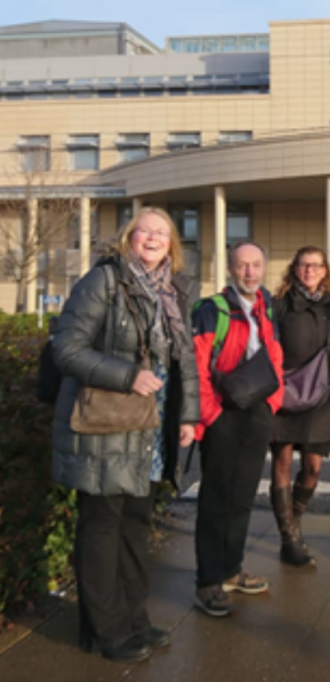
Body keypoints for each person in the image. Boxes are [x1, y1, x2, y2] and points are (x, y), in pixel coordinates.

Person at [51, 207, 199, 662]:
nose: (152, 238)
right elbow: (66, 347)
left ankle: (134, 618)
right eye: (143, 231)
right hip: (106, 424)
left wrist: (188, 415)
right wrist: (126, 375)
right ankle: (106, 629)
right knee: (102, 526)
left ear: (171, 244)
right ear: (127, 237)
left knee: (136, 524)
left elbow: (185, 362)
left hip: (150, 429)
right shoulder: (103, 281)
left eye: (161, 232)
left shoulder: (174, 291)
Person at [191, 240, 284, 617]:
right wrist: (210, 414)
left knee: (243, 496)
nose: (250, 271)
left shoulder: (267, 306)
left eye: (256, 264)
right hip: (222, 412)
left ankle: (230, 569)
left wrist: (273, 403)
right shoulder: (211, 310)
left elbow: (275, 353)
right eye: (243, 265)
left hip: (257, 411)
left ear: (264, 267)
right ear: (230, 269)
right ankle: (208, 581)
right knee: (216, 497)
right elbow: (196, 365)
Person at [269, 246, 330, 567]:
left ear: (325, 271)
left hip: (321, 398)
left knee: (312, 469)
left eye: (316, 266)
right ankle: (288, 537)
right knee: (282, 464)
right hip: (285, 396)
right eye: (304, 265)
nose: (309, 271)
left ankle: (295, 520)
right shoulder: (280, 305)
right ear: (294, 268)